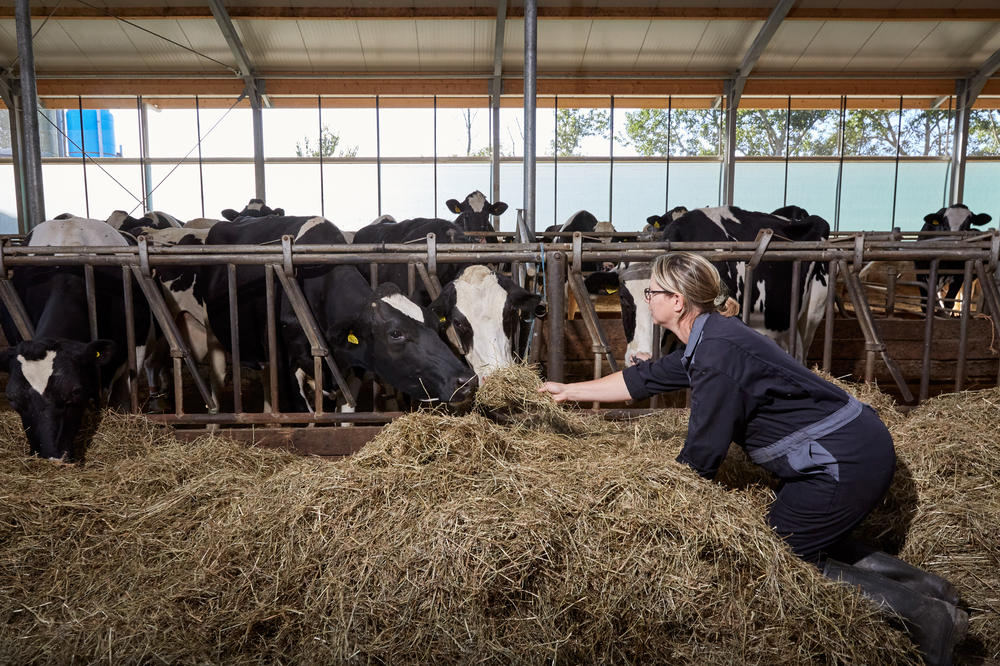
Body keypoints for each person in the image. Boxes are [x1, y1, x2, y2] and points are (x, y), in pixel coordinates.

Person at [539, 251, 967, 666]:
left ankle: (928, 619)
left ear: (677, 301)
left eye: (651, 291)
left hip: (841, 462)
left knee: (777, 553)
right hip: (851, 446)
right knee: (802, 535)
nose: (645, 298)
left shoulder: (716, 354)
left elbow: (701, 456)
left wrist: (657, 503)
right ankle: (931, 589)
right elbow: (644, 378)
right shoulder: (711, 336)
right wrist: (569, 390)